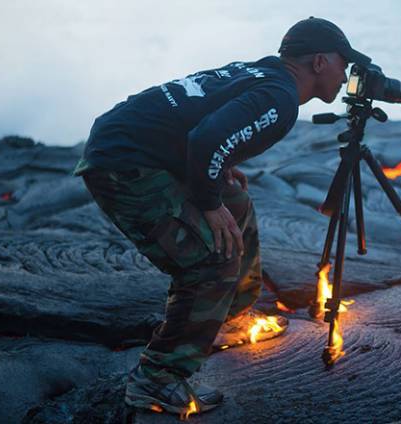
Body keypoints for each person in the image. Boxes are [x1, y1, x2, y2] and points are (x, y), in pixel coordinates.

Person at [73, 17, 371, 416]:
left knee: (237, 202)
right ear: (319, 62)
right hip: (124, 164)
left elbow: (203, 121)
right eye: (343, 62)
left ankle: (228, 317)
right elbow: (205, 138)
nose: (346, 72)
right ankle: (157, 379)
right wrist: (208, 202)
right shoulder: (280, 98)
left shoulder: (262, 71)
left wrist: (217, 170)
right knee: (212, 261)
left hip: (135, 144)